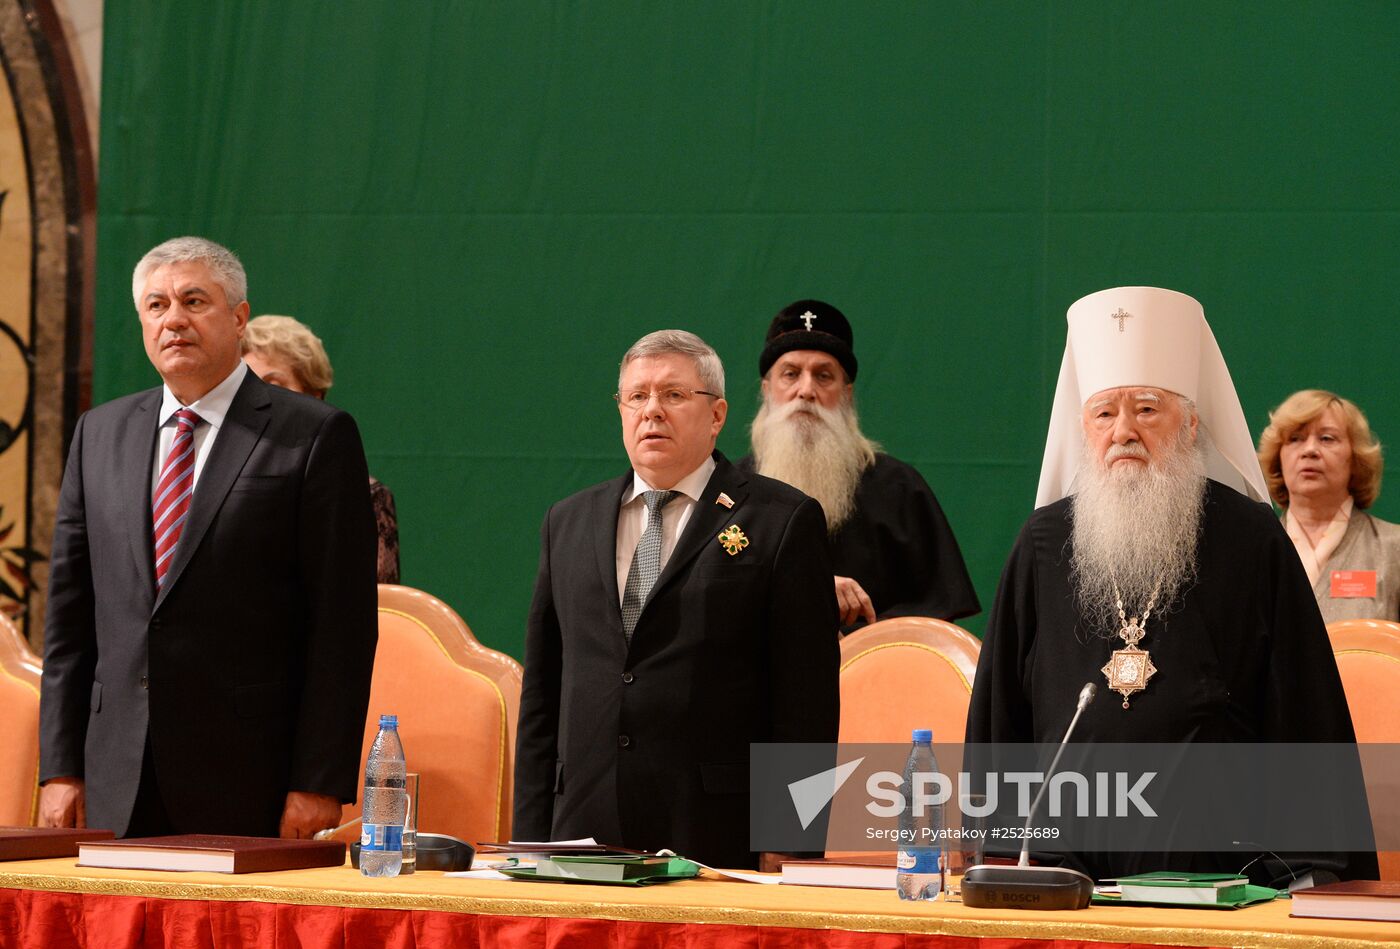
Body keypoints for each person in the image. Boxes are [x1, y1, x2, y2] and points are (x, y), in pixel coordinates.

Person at [966, 286, 1376, 884]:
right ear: (1083, 429)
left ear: (1189, 426)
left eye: (1148, 409)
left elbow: (1303, 709)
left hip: (1221, 873)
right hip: (1062, 874)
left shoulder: (1250, 539)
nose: (1124, 431)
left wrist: (1311, 868)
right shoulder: (1044, 543)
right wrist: (999, 850)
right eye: (1105, 413)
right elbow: (1000, 716)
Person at [38, 237, 378, 839]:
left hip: (253, 776)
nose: (174, 319)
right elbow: (69, 621)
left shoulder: (314, 435)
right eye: (156, 305)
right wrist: (60, 769)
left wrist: (319, 780)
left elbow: (342, 627)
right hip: (114, 776)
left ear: (239, 317)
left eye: (194, 300)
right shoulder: (100, 433)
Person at [513, 329, 840, 870]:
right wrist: (528, 839)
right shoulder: (567, 522)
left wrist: (790, 846)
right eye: (636, 397)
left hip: (716, 831)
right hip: (579, 832)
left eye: (674, 395)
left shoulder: (781, 520)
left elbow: (805, 704)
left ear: (716, 415)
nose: (652, 412)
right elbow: (543, 695)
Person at [741, 299, 979, 629]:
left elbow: (936, 614)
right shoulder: (730, 490)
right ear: (767, 390)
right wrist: (810, 586)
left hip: (875, 673)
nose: (806, 390)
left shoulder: (898, 487)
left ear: (847, 393)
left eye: (824, 376)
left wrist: (860, 644)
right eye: (791, 374)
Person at [241, 314, 400, 584]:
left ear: (314, 396)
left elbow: (377, 610)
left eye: (274, 385)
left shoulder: (363, 495)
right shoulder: (214, 485)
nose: (258, 399)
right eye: (246, 387)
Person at [1258, 390, 1400, 622]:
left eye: (1327, 438)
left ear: (1356, 457)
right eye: (1295, 438)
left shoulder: (1394, 548)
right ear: (1278, 457)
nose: (1310, 450)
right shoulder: (1254, 552)